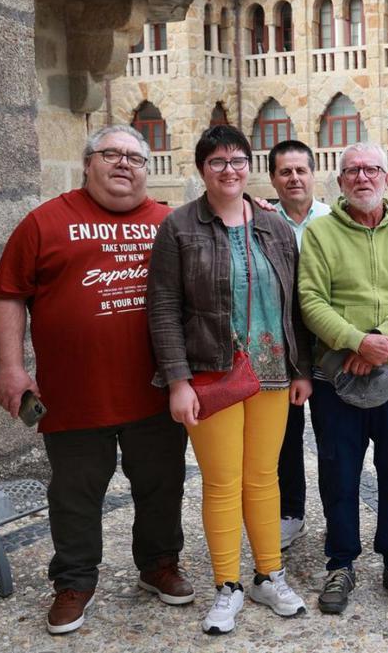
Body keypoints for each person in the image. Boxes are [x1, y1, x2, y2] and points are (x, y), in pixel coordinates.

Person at [0, 125, 192, 635]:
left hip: (155, 391)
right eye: (111, 154)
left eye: (135, 157)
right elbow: (9, 295)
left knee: (162, 487)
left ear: (148, 168)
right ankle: (74, 583)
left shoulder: (171, 223)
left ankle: (159, 565)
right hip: (75, 396)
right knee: (75, 497)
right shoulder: (45, 222)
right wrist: (11, 367)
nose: (124, 164)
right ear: (87, 163)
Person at [148, 125, 313, 635]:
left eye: (238, 160)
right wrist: (177, 380)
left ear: (250, 167)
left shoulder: (275, 225)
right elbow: (163, 309)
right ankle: (228, 585)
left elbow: (295, 301)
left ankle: (268, 574)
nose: (229, 170)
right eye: (217, 161)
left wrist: (301, 369)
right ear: (201, 169)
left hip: (272, 371)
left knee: (264, 478)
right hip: (210, 372)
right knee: (221, 482)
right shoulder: (179, 227)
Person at [297, 142, 388, 615]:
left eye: (371, 169)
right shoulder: (319, 233)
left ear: (386, 178)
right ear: (339, 182)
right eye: (352, 171)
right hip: (336, 378)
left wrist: (382, 338)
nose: (362, 178)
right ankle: (341, 562)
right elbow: (311, 300)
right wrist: (356, 342)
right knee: (339, 474)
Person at [267, 139, 331, 550]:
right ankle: (290, 513)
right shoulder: (260, 219)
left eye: (300, 170)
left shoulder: (332, 219)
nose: (293, 178)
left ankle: (336, 514)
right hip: (279, 347)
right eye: (285, 172)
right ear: (273, 178)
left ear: (313, 174)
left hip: (326, 343)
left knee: (332, 436)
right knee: (283, 436)